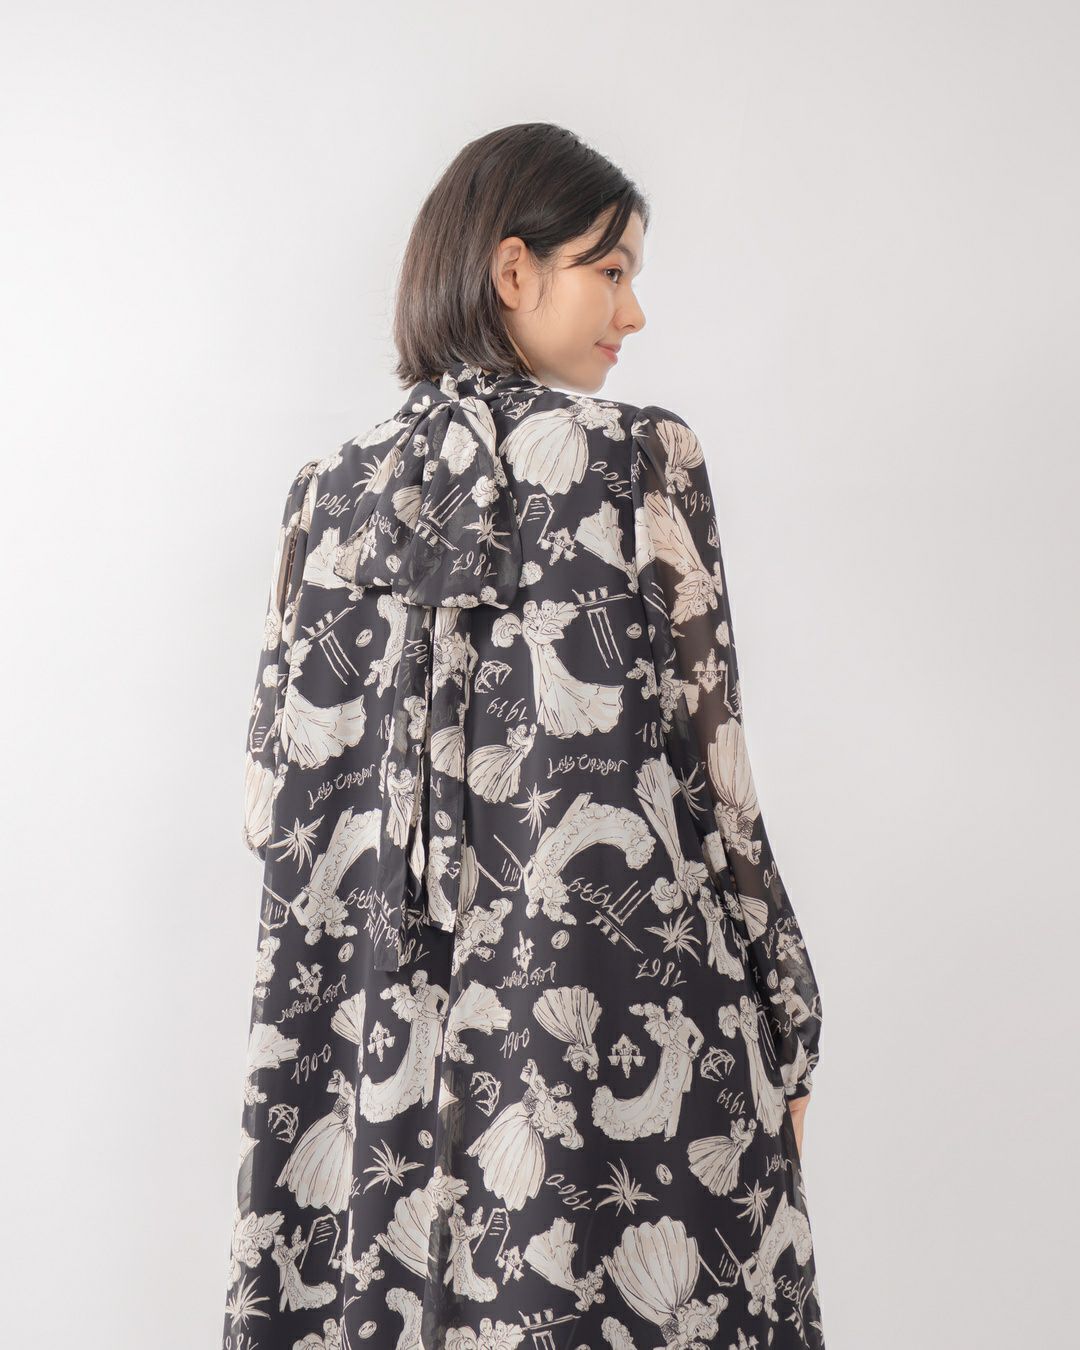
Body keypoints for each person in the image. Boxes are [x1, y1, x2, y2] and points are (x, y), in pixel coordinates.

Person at [224, 121, 825, 1349]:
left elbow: (267, 809)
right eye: (612, 270)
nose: (633, 311)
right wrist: (789, 1017)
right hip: (614, 1018)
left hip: (366, 1043)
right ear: (515, 271)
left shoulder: (322, 496)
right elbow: (716, 786)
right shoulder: (640, 461)